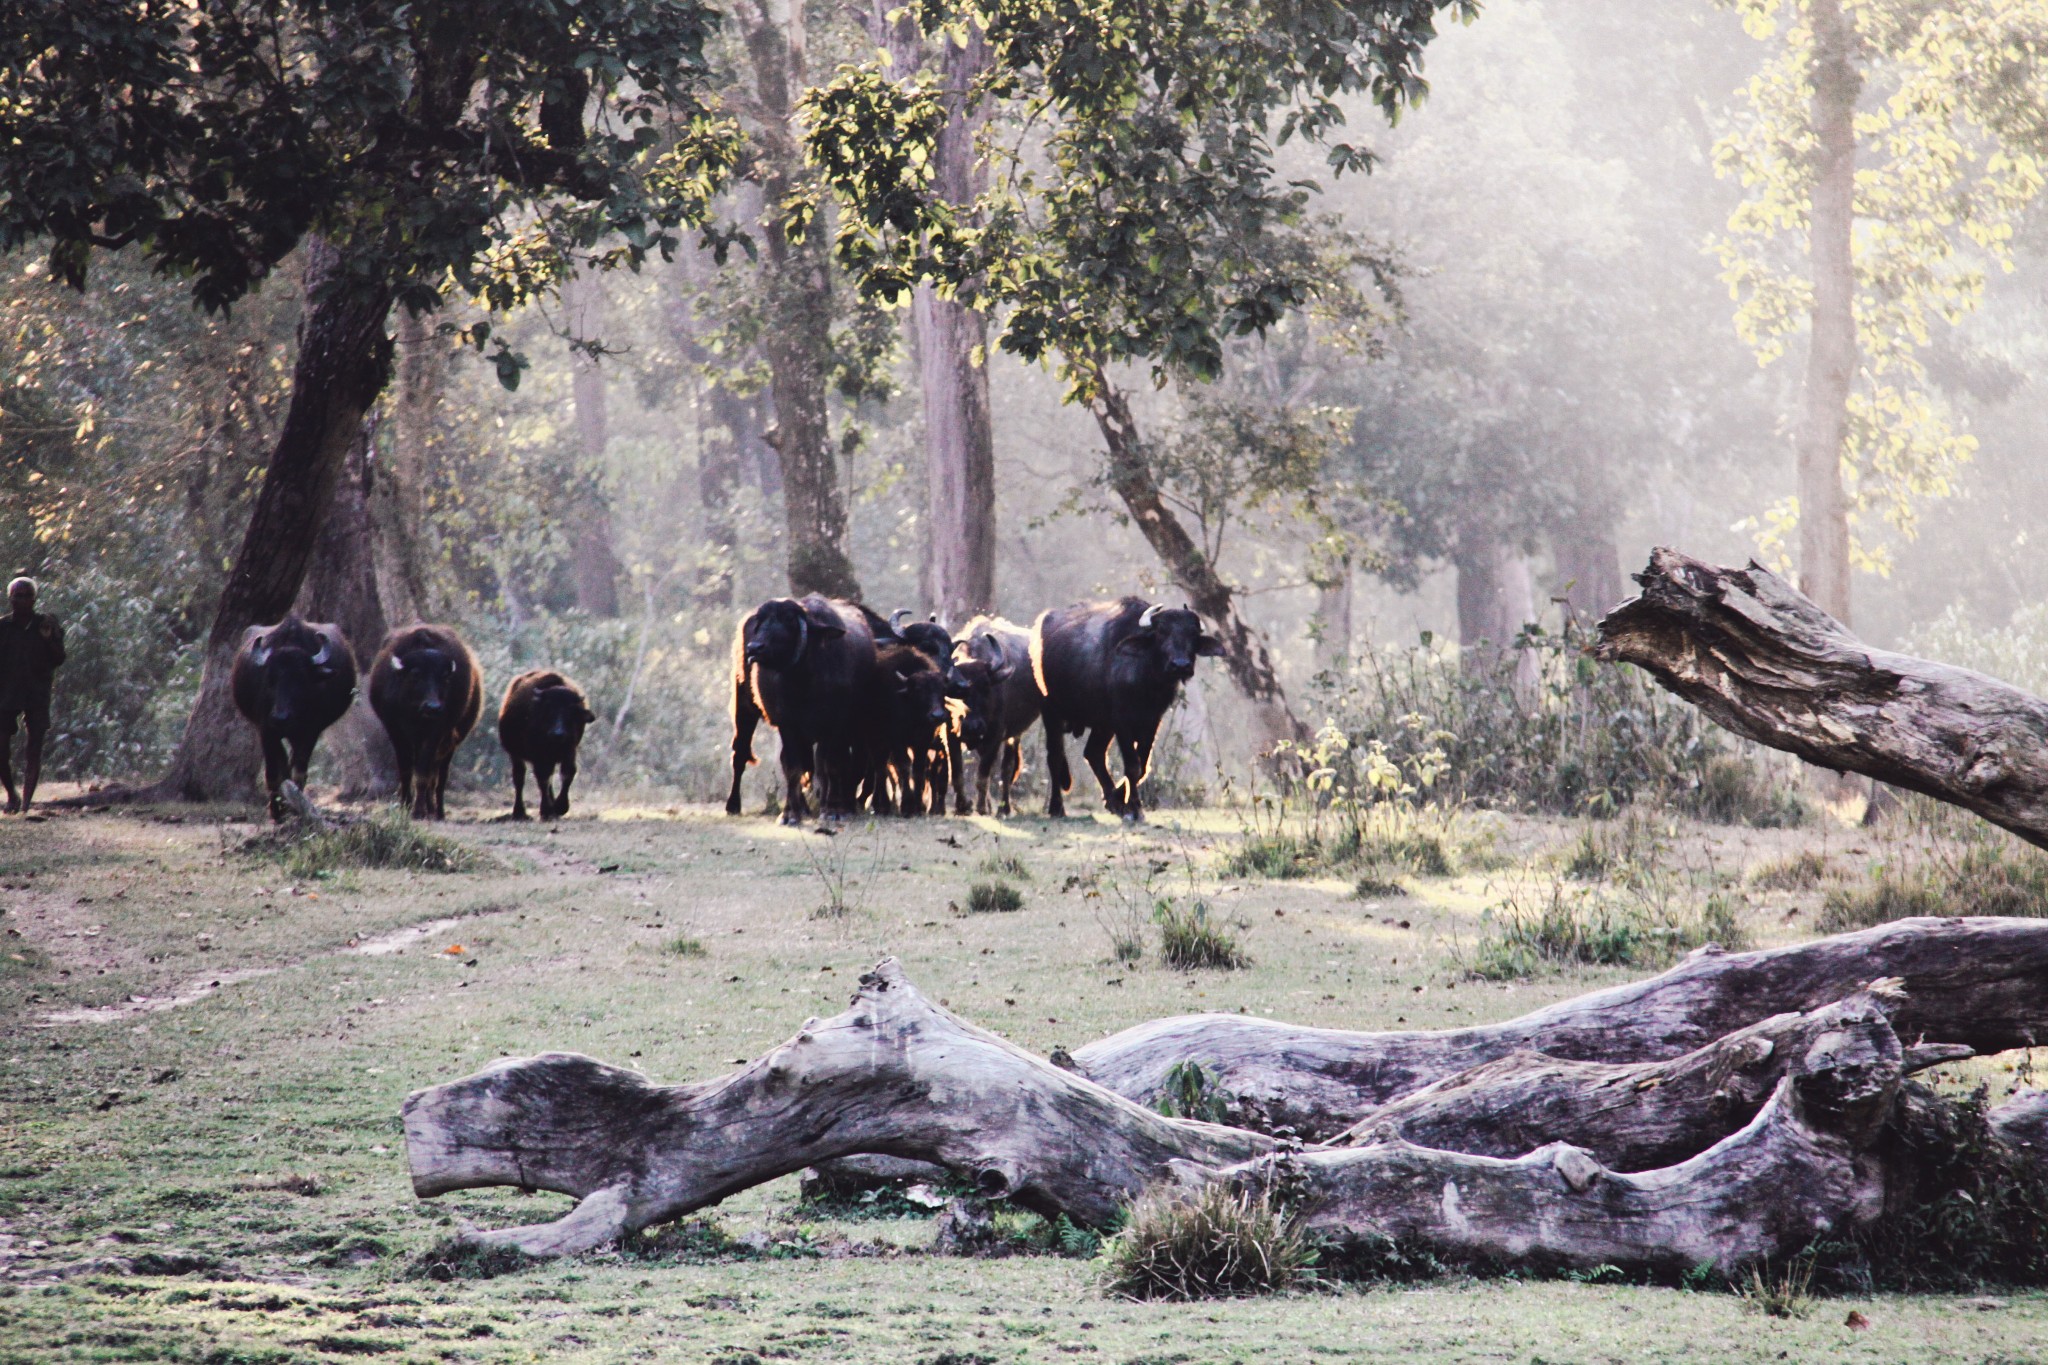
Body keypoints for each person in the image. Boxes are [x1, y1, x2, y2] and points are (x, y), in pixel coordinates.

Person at [0, 577, 65, 813]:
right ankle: (12, 796)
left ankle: (26, 805)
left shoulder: (46, 624)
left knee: (34, 748)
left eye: (27, 595)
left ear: (34, 599)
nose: (23, 600)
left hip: (37, 693)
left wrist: (49, 639)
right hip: (6, 695)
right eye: (18, 595)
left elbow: (59, 658)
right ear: (10, 598)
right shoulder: (3, 627)